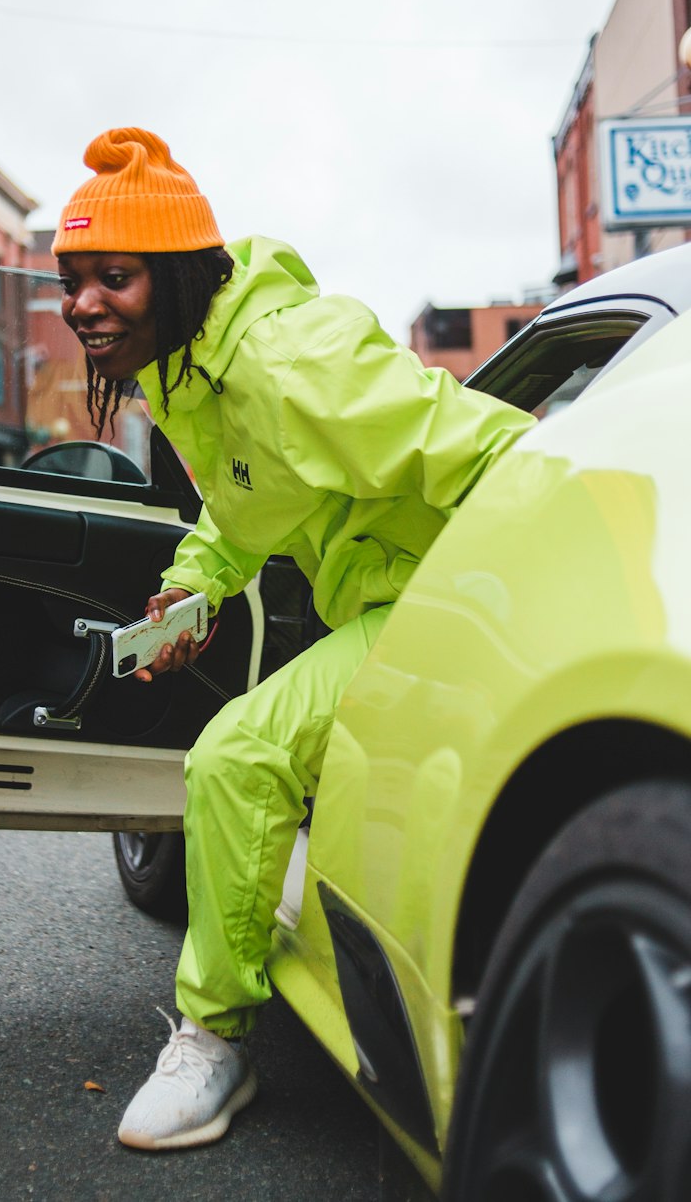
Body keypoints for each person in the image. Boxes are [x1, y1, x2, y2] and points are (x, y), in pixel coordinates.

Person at [53, 127, 535, 1151]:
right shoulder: (184, 373)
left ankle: (212, 1040)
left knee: (237, 753)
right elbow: (241, 505)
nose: (81, 303)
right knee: (248, 743)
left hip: (461, 593)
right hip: (385, 600)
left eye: (113, 276)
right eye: (71, 277)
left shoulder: (292, 356)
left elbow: (501, 450)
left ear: (179, 274)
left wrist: (537, 608)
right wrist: (193, 586)